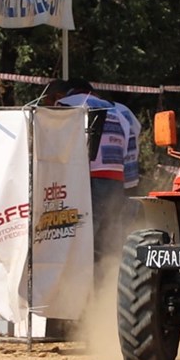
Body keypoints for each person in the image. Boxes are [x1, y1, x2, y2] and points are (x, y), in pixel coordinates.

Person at [57, 80, 126, 264]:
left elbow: (59, 140)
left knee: (86, 230)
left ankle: (84, 279)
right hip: (116, 176)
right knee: (110, 232)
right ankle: (109, 278)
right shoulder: (116, 110)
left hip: (90, 175)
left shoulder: (67, 104)